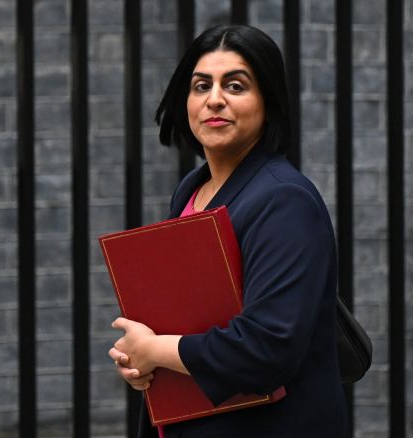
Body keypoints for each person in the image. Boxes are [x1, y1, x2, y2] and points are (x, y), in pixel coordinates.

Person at [108, 24, 349, 438]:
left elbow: (267, 346)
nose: (214, 99)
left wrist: (158, 350)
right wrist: (144, 365)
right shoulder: (193, 189)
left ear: (268, 103)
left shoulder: (285, 201)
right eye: (201, 85)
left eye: (235, 86)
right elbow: (187, 319)